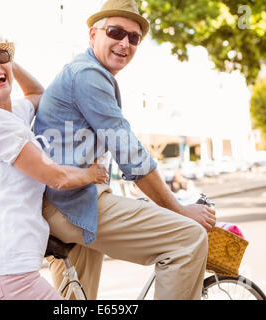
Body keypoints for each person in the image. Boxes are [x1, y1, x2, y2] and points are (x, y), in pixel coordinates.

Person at [33, 0, 216, 300]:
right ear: (93, 35)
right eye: (116, 32)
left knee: (78, 301)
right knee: (188, 238)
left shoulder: (80, 72)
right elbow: (131, 154)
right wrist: (180, 210)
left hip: (65, 201)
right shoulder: (88, 75)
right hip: (73, 204)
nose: (125, 43)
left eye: (134, 38)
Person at [0, 31, 108, 300]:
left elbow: (37, 93)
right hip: (6, 267)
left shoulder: (12, 113)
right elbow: (54, 176)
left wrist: (5, 62)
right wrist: (92, 174)